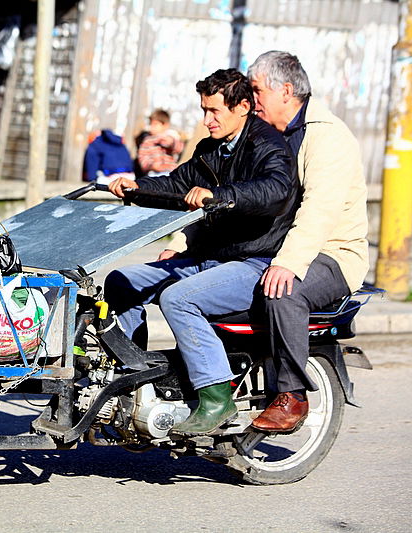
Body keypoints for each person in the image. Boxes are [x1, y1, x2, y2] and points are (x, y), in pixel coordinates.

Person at [166, 52, 370, 433]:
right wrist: (182, 242)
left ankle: (291, 394)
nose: (251, 97)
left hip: (332, 252)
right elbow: (221, 193)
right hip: (269, 248)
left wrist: (288, 262)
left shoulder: (325, 135)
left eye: (257, 89)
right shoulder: (261, 135)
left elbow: (319, 210)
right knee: (188, 284)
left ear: (286, 91)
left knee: (283, 290)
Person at [103, 68, 299, 436]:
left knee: (178, 299)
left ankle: (216, 398)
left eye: (214, 112)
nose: (207, 120)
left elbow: (274, 190)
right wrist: (134, 188)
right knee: (121, 280)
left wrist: (219, 196)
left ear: (243, 106)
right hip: (206, 258)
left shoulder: (268, 145)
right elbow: (175, 184)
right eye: (203, 110)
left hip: (252, 261)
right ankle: (131, 376)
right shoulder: (210, 149)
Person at [136, 109, 184, 176]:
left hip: (171, 171)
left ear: (165, 125)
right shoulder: (147, 141)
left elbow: (180, 149)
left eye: (155, 124)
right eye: (151, 124)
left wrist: (172, 143)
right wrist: (152, 166)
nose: (152, 127)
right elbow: (142, 158)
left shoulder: (170, 137)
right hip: (154, 173)